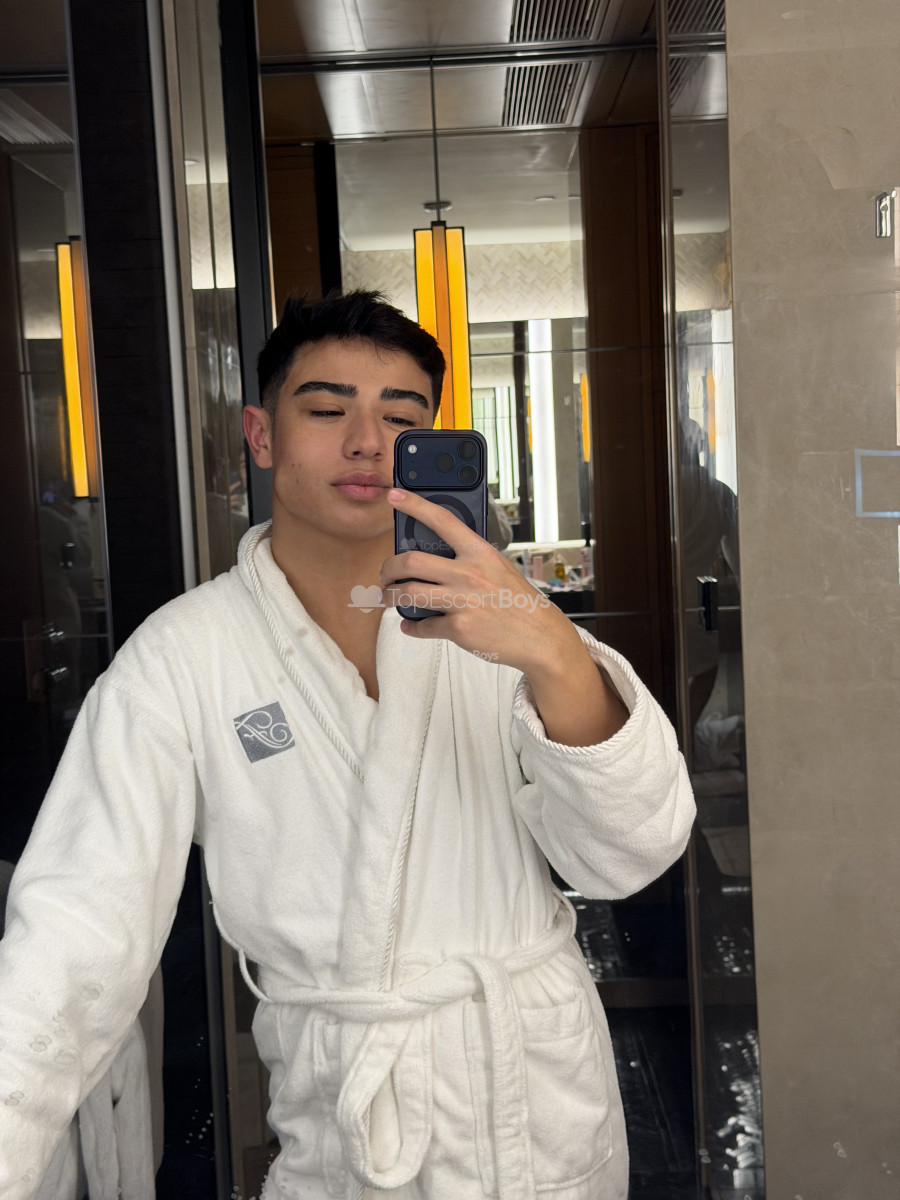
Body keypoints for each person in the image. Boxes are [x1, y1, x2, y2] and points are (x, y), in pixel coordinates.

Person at [0, 291, 695, 1200]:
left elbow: (629, 854)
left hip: (537, 1119)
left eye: (402, 419)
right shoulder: (180, 659)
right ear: (261, 436)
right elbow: (75, 932)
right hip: (346, 1133)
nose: (369, 442)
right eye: (328, 411)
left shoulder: (508, 624)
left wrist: (556, 654)